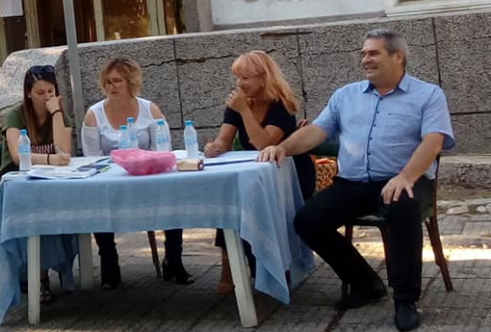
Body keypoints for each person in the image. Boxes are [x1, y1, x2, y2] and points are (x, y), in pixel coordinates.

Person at [259, 28, 455, 332]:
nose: (365, 59)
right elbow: (316, 132)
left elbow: (434, 141)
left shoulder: (428, 95)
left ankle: (406, 300)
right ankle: (365, 282)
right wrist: (283, 147)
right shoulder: (345, 96)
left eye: (374, 53)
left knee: (403, 207)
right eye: (363, 53)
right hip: (352, 183)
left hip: (407, 179)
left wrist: (405, 176)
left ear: (398, 56)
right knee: (307, 220)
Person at [202, 50, 316, 293]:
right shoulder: (239, 104)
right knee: (230, 203)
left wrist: (244, 111)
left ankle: (271, 267)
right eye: (237, 77)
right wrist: (214, 148)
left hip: (289, 176)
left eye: (245, 78)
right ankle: (229, 270)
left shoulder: (281, 106)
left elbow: (264, 144)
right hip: (258, 174)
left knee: (252, 204)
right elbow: (225, 139)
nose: (239, 83)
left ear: (263, 78)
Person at [80, 58, 193, 289]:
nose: (112, 86)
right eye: (108, 82)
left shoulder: (150, 109)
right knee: (96, 198)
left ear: (131, 82)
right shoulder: (94, 114)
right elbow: (92, 158)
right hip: (110, 180)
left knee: (172, 193)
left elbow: (162, 149)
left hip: (147, 175)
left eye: (117, 81)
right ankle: (109, 262)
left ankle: (174, 258)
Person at [0, 64, 73, 303]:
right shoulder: (15, 115)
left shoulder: (58, 114)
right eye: (40, 92)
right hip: (19, 181)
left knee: (63, 208)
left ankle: (62, 268)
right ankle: (38, 277)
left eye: (51, 91)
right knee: (37, 212)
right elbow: (18, 156)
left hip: (50, 178)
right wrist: (51, 159)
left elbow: (65, 151)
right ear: (29, 93)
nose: (46, 97)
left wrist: (56, 113)